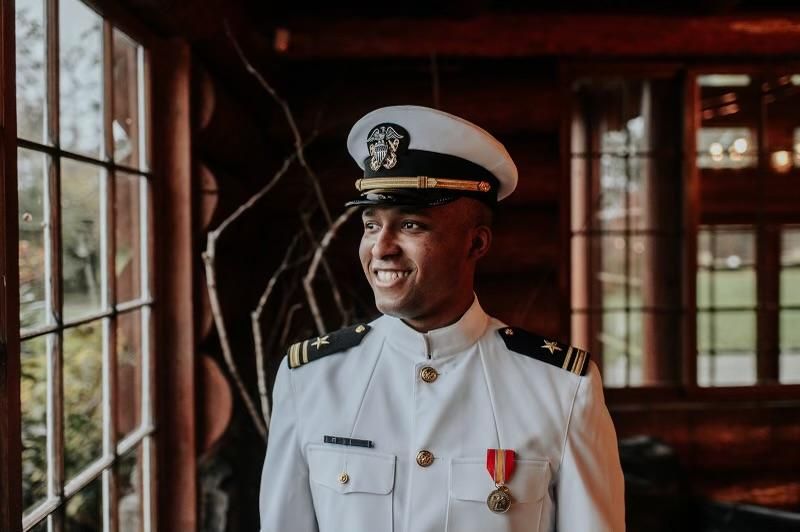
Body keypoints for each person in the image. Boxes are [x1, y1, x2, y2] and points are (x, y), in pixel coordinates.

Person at [258, 105, 625, 532]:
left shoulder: (561, 387)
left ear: (476, 243)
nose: (381, 248)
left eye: (411, 225)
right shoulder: (311, 379)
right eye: (371, 225)